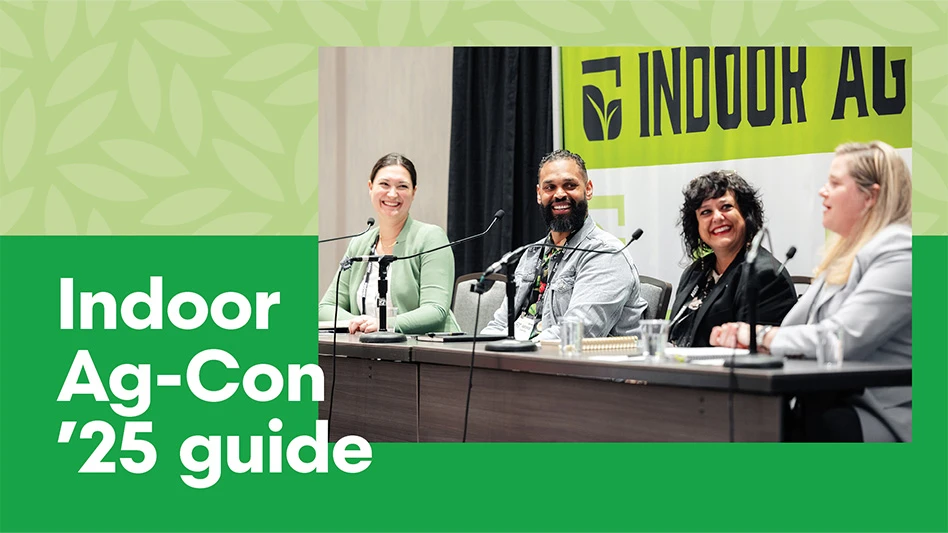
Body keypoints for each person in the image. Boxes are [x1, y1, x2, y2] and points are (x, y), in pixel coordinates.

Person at [710, 141, 912, 442]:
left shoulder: (902, 251)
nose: (822, 191)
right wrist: (748, 336)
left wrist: (760, 336)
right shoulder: (844, 253)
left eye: (834, 183)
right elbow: (792, 328)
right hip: (827, 401)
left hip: (879, 413)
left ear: (870, 196)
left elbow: (840, 339)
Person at [481, 149, 647, 341]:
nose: (559, 194)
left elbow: (575, 334)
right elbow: (500, 324)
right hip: (525, 360)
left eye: (569, 185)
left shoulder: (606, 254)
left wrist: (516, 351)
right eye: (550, 187)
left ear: (589, 189)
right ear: (539, 194)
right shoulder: (532, 253)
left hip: (585, 367)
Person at [319, 153, 459, 334]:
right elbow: (326, 307)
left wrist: (383, 324)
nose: (392, 194)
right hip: (369, 351)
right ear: (370, 187)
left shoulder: (431, 238)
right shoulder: (360, 243)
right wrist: (358, 322)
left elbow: (435, 310)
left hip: (427, 352)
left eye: (402, 186)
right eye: (384, 184)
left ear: (413, 192)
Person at [668, 171, 797, 347]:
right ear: (696, 225)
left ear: (745, 214)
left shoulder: (765, 276)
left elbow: (758, 357)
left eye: (726, 207)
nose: (717, 217)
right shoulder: (695, 272)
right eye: (706, 212)